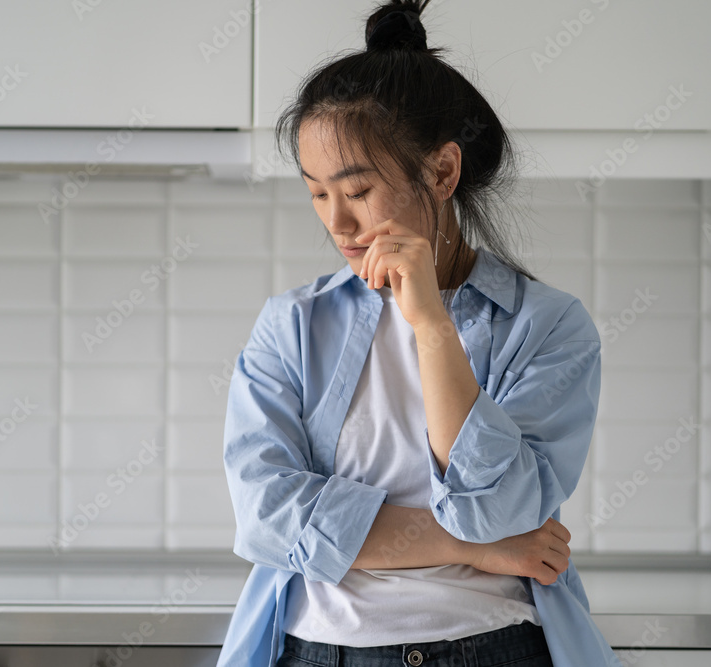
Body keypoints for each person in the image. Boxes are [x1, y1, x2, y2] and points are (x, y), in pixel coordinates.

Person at [218, 1, 621, 665]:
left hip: (493, 649)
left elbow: (499, 511)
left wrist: (432, 324)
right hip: (323, 651)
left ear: (441, 172)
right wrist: (471, 549)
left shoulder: (548, 327)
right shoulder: (292, 326)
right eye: (317, 193)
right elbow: (267, 516)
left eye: (357, 190)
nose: (337, 223)